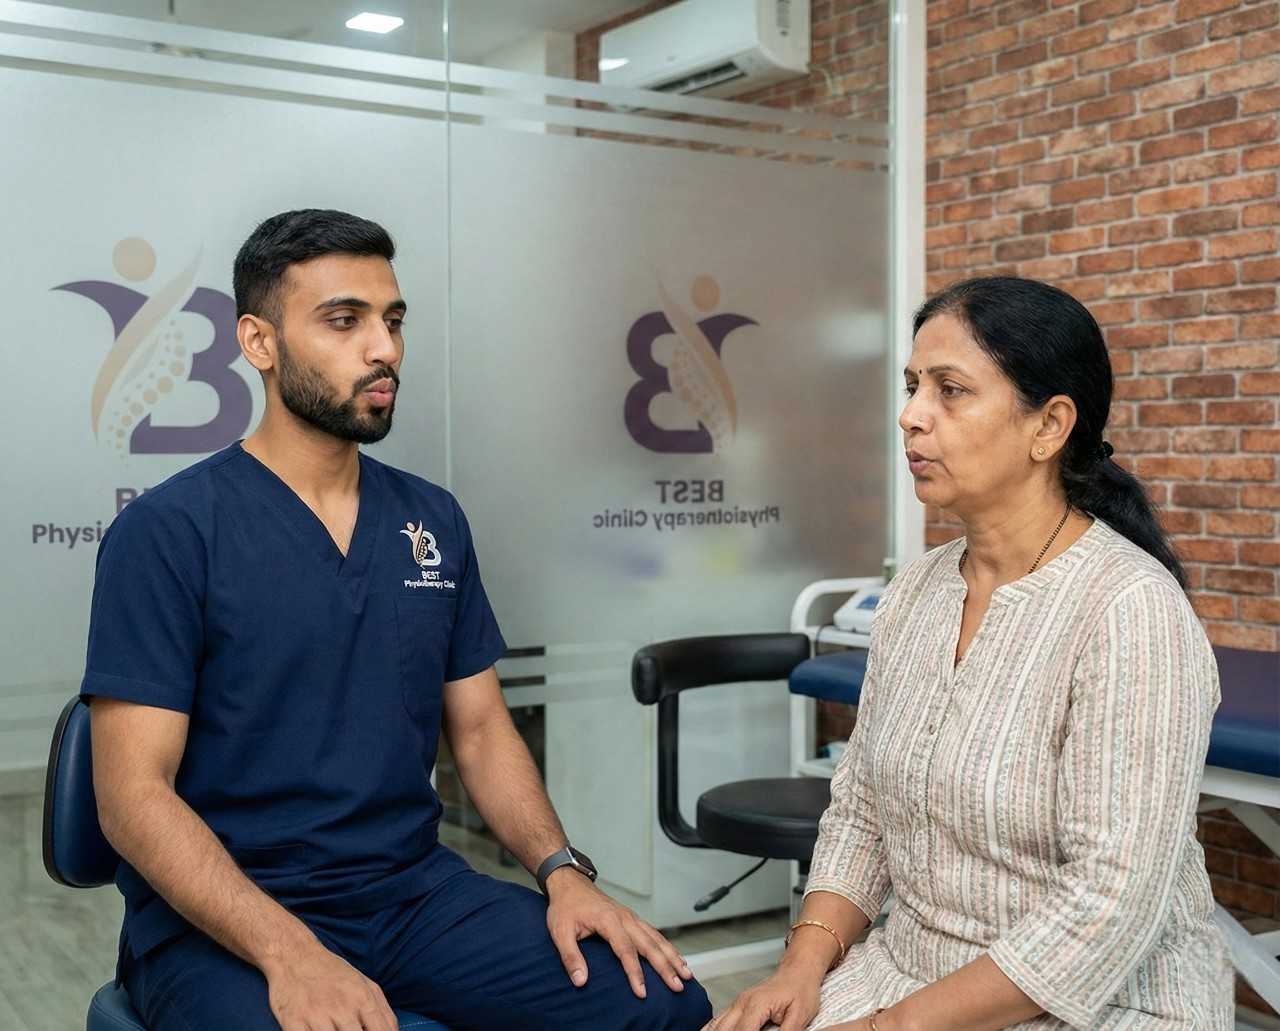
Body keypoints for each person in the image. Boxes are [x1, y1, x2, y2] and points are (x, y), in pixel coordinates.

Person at [84, 208, 712, 1031]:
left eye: (393, 319)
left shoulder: (431, 519)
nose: (384, 348)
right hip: (224, 920)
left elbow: (483, 731)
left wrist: (562, 872)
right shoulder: (170, 531)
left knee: (660, 1003)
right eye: (344, 320)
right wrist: (290, 951)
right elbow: (131, 796)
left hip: (412, 894)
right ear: (259, 342)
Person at [711, 276, 1233, 1030]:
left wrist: (887, 1026)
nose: (911, 416)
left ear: (1049, 426)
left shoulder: (1129, 611)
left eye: (950, 390)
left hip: (1106, 1001)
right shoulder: (917, 592)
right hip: (909, 972)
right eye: (913, 386)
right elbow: (861, 812)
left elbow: (1106, 906)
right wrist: (799, 969)